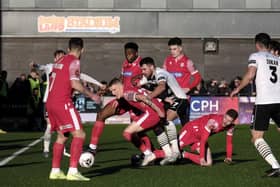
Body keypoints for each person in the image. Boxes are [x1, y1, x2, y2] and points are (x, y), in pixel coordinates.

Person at [46, 38, 100, 181]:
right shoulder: (74, 61)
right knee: (80, 134)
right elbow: (75, 84)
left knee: (62, 136)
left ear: (68, 48)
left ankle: (55, 170)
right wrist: (92, 95)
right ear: (83, 50)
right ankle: (73, 171)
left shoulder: (59, 60)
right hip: (62, 102)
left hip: (51, 102)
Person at [230, 33, 280, 177]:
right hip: (278, 100)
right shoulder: (277, 59)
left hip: (264, 102)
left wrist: (238, 89)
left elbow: (251, 74)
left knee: (256, 137)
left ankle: (276, 166)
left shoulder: (256, 56)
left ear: (257, 44)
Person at [88, 42, 143, 155]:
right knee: (100, 115)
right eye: (126, 53)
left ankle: (151, 153)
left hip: (136, 100)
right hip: (123, 99)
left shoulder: (141, 65)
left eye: (130, 53)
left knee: (135, 133)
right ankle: (92, 148)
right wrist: (108, 89)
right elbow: (121, 79)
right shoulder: (125, 64)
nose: (128, 56)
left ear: (136, 53)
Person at [108, 78, 173, 166]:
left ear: (120, 86)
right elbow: (147, 92)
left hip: (152, 113)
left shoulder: (127, 94)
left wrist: (158, 111)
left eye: (114, 90)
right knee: (134, 133)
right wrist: (163, 99)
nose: (113, 93)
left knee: (127, 133)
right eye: (111, 91)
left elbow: (141, 97)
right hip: (154, 110)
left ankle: (149, 154)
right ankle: (162, 153)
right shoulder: (130, 88)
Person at [139, 57, 188, 164]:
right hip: (169, 102)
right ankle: (168, 153)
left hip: (180, 100)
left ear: (152, 67)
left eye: (144, 69)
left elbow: (161, 87)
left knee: (166, 121)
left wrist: (147, 98)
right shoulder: (147, 77)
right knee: (156, 124)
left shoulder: (160, 73)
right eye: (141, 70)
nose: (143, 72)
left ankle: (176, 152)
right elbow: (137, 85)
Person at [150, 109, 238, 166]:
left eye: (229, 121)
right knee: (172, 151)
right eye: (225, 118)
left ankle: (183, 154)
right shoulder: (213, 123)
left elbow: (229, 142)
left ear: (233, 121)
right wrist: (202, 157)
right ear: (224, 115)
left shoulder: (231, 127)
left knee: (209, 163)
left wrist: (229, 157)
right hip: (190, 131)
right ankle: (148, 154)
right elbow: (204, 141)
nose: (226, 122)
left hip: (199, 137)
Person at [30, 49, 66, 157]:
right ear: (55, 58)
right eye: (59, 56)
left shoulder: (67, 68)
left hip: (61, 101)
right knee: (50, 126)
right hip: (49, 100)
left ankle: (62, 148)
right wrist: (35, 65)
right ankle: (46, 149)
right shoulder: (50, 66)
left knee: (63, 126)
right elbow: (41, 67)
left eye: (63, 57)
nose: (61, 59)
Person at [163, 37, 201, 121]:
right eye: (170, 49)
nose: (172, 51)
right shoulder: (167, 61)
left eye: (174, 49)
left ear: (180, 48)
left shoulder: (188, 62)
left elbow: (197, 77)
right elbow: (163, 77)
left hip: (183, 97)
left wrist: (188, 88)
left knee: (167, 119)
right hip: (171, 97)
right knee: (184, 126)